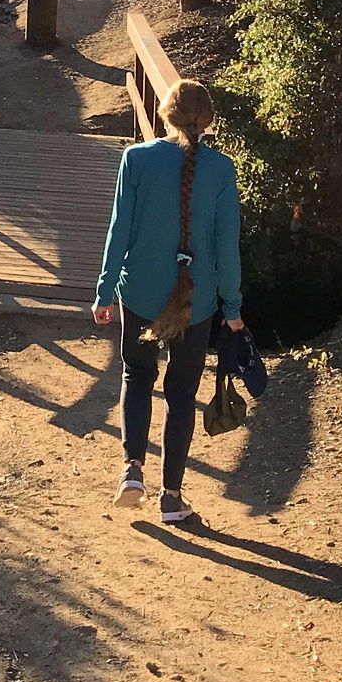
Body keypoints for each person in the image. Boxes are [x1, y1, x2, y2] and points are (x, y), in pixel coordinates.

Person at [92, 77, 244, 524]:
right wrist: (232, 309)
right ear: (209, 120)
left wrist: (104, 291)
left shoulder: (135, 159)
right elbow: (226, 246)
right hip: (196, 299)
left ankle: (131, 472)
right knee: (181, 395)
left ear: (165, 114)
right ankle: (172, 497)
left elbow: (119, 230)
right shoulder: (222, 170)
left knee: (137, 375)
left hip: (139, 289)